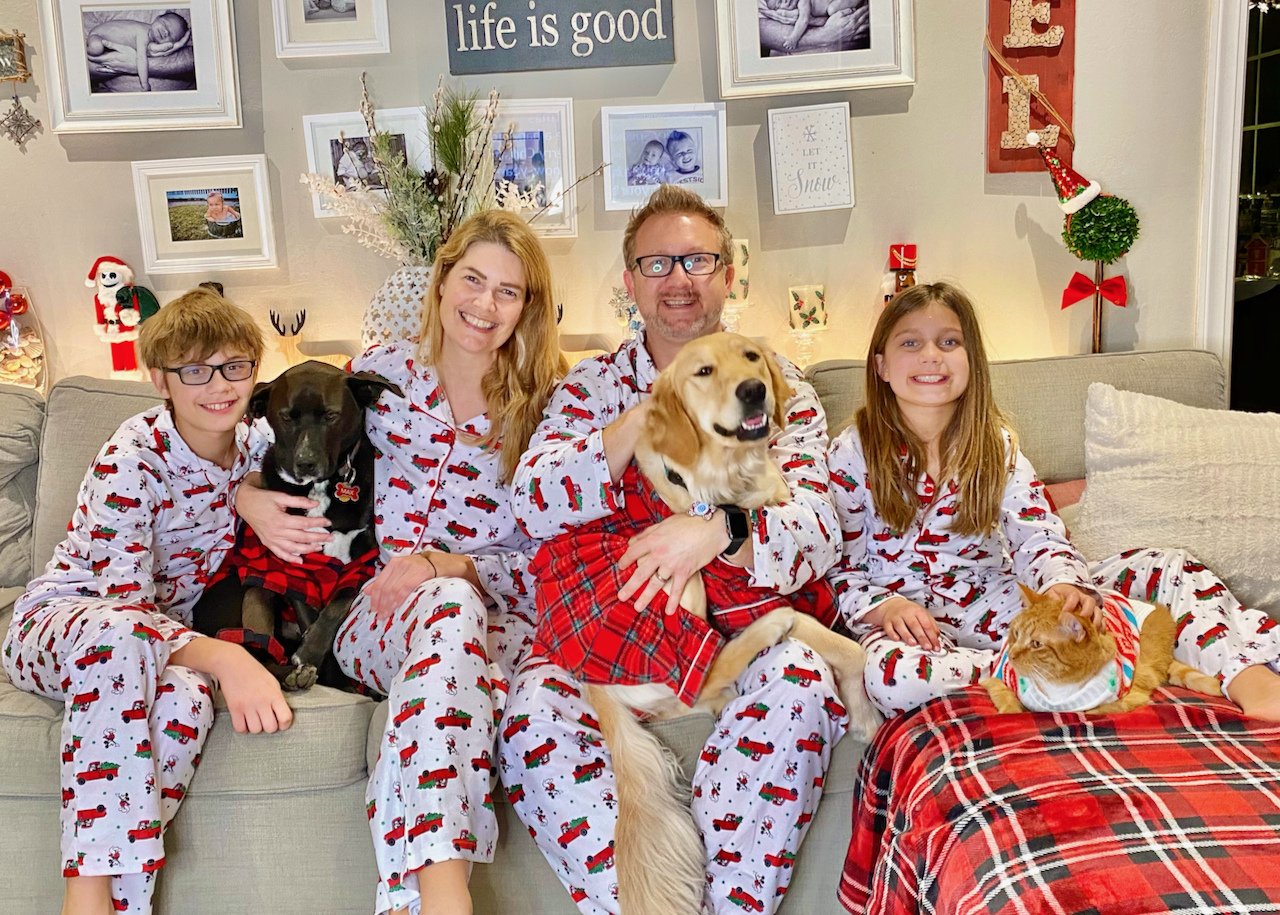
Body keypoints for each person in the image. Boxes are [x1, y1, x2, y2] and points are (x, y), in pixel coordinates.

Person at [501, 183, 847, 915]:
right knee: (531, 711)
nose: (679, 279)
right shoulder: (589, 387)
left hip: (738, 619)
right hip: (606, 624)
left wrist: (721, 529)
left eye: (698, 259)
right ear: (629, 282)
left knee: (803, 680)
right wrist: (635, 422)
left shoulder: (777, 382)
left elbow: (820, 527)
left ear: (729, 274)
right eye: (657, 264)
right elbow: (530, 504)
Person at [235, 209, 566, 915]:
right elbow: (261, 425)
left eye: (508, 291)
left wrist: (449, 563)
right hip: (374, 620)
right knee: (448, 612)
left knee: (458, 610)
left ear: (528, 307)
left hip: (497, 627)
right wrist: (246, 495)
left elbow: (552, 558)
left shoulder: (549, 407)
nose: (484, 304)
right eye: (472, 279)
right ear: (442, 279)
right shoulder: (382, 371)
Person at [827, 281, 1280, 720]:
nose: (931, 355)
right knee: (891, 680)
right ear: (882, 365)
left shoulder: (995, 444)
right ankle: (1058, 670)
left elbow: (1038, 537)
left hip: (1005, 609)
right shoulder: (852, 451)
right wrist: (886, 608)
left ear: (972, 362)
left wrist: (1062, 586)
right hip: (915, 630)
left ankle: (1249, 677)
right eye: (911, 343)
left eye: (949, 341)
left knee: (1169, 566)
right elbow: (840, 568)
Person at [2, 289, 291, 915]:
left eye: (235, 366)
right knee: (126, 643)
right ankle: (82, 897)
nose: (218, 385)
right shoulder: (133, 455)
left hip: (155, 646)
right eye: (195, 370)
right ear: (160, 378)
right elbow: (124, 607)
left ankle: (121, 907)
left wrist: (246, 488)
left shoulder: (257, 442)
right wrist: (227, 659)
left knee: (187, 703)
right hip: (65, 624)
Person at [83, 10, 190, 92]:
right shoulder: (143, 33)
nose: (165, 31)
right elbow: (141, 58)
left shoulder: (151, 34)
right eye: (164, 24)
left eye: (170, 35)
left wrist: (175, 46)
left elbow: (150, 48)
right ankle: (84, 49)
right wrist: (145, 84)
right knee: (96, 48)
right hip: (97, 36)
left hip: (108, 43)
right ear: (157, 18)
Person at [757, 0, 868, 55]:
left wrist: (793, 38)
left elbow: (804, 20)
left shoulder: (802, 2)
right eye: (780, 2)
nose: (786, 0)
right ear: (778, 10)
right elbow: (806, 20)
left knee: (833, 10)